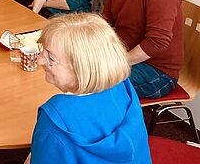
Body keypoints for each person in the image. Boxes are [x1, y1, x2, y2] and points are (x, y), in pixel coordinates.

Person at [25, 13, 151, 163]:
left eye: (51, 58)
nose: (39, 60)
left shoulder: (56, 119)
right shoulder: (124, 87)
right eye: (42, 50)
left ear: (81, 68)